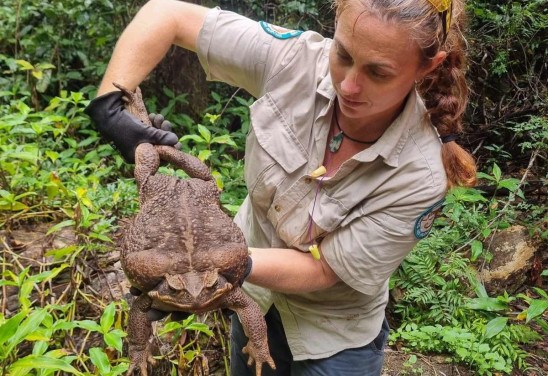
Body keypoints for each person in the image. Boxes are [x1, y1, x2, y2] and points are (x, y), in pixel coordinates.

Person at [85, 0, 477, 374]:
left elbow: (326, 270)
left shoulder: (421, 174)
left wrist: (220, 266)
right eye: (342, 54)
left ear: (427, 68)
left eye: (379, 72)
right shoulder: (295, 60)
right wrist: (110, 109)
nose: (350, 85)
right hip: (254, 301)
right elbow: (167, 14)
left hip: (333, 333)